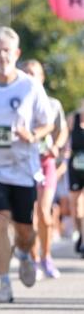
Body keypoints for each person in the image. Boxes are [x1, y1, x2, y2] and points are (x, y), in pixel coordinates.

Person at [0, 27, 54, 303]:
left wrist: (32, 135)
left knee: (24, 231)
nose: (1, 55)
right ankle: (4, 284)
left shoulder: (30, 86)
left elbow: (47, 123)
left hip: (22, 166)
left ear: (16, 53)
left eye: (6, 50)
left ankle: (24, 254)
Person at [21, 60, 68, 279]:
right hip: (22, 163)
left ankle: (46, 257)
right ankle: (33, 259)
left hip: (45, 161)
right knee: (28, 216)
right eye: (26, 73)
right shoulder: (17, 103)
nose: (30, 77)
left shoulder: (53, 104)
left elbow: (63, 131)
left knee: (44, 212)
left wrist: (57, 147)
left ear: (42, 77)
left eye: (34, 73)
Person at [67, 97, 84, 257]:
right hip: (75, 167)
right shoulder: (74, 119)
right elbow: (65, 139)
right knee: (76, 206)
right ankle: (80, 233)